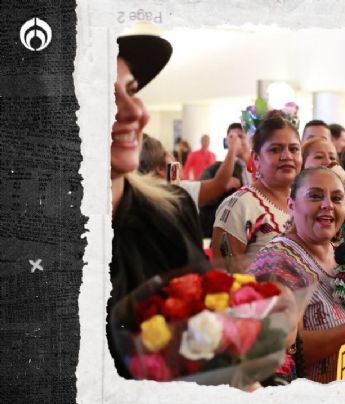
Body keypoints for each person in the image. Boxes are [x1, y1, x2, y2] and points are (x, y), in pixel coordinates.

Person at [110, 31, 206, 377]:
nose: (135, 110)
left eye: (132, 91)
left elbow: (204, 343)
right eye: (103, 95)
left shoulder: (172, 211)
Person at [246, 167, 345, 383]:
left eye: (337, 198)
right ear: (291, 205)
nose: (328, 205)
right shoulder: (276, 262)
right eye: (315, 196)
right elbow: (283, 351)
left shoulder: (343, 253)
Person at [211, 116, 301, 270]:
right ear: (256, 158)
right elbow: (224, 277)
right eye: (275, 149)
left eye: (294, 149)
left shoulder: (304, 201)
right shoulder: (240, 206)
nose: (287, 156)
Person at [137, 133, 241, 210]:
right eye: (167, 154)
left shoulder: (138, 196)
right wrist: (232, 150)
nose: (174, 158)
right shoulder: (178, 190)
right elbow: (218, 185)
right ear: (160, 169)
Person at [197, 123, 253, 237]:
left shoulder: (261, 168)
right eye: (232, 138)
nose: (236, 141)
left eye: (240, 136)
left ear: (249, 140)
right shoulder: (216, 169)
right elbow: (200, 197)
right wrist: (219, 186)